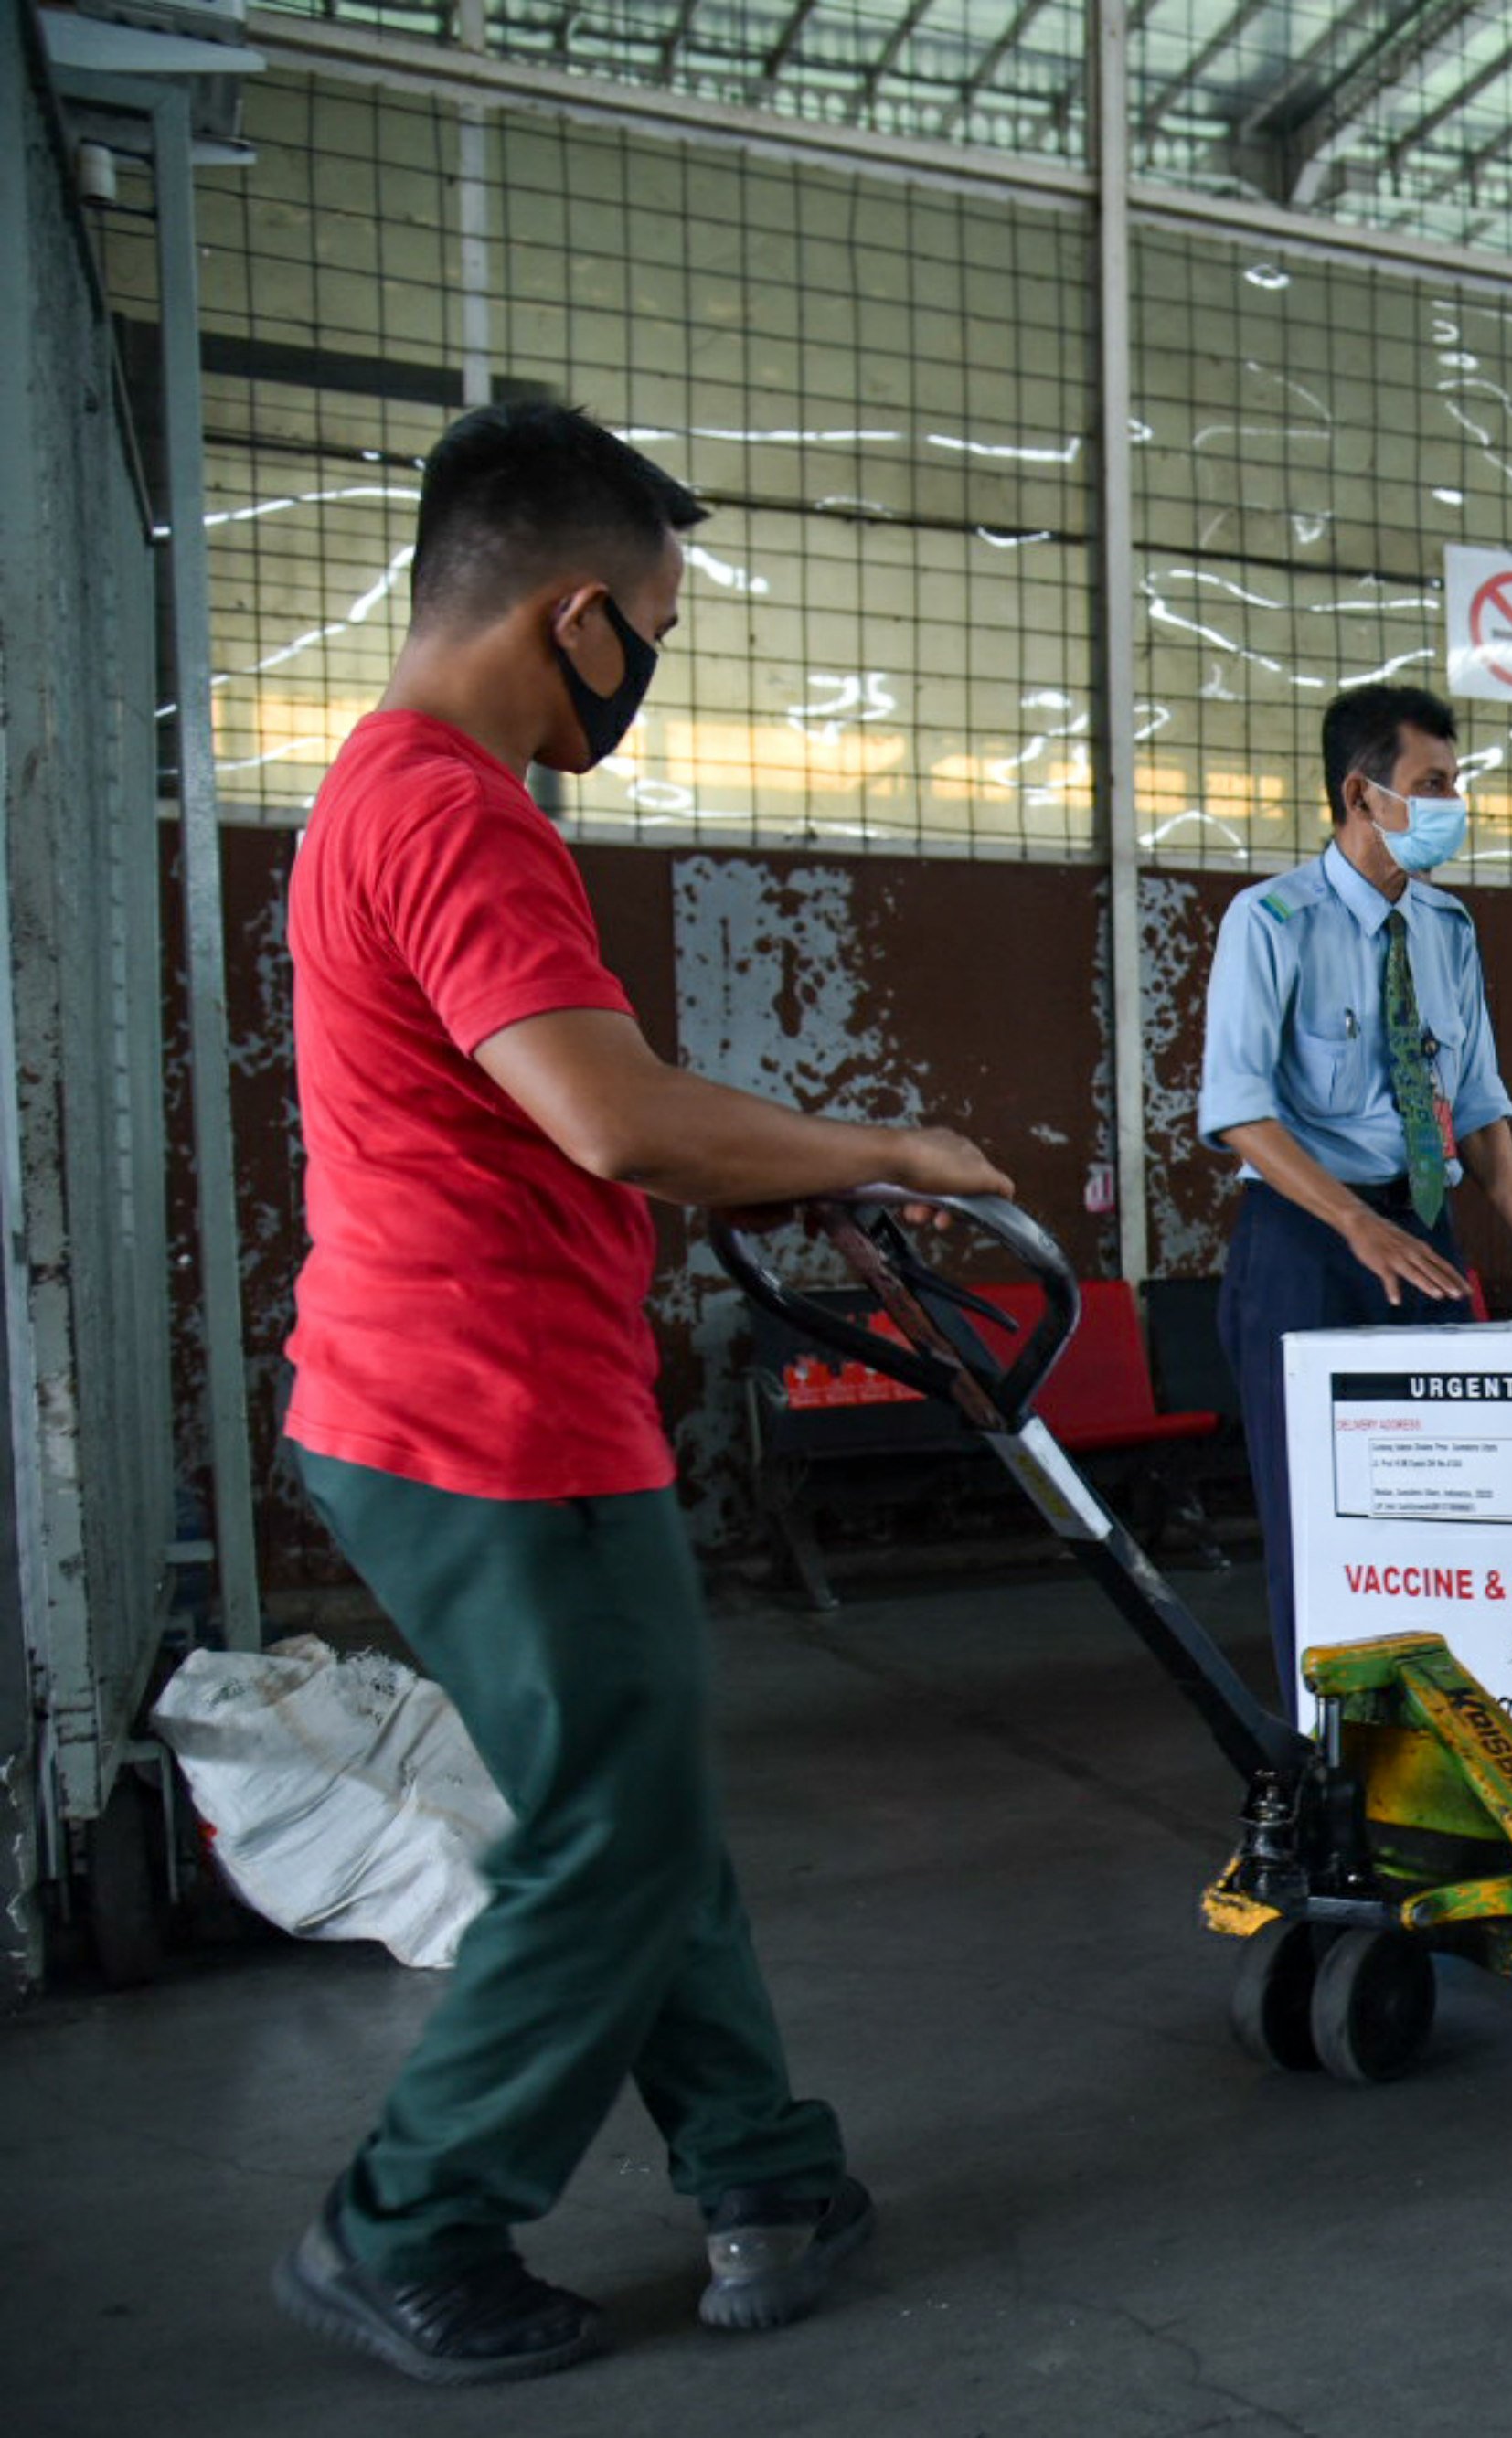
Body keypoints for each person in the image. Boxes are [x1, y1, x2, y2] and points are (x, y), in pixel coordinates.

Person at [272, 402, 1008, 2383]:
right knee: (613, 1828)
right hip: (489, 1410)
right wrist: (887, 1147)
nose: (649, 674)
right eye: (655, 629)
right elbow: (610, 1116)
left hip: (421, 1394)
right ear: (578, 613)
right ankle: (408, 2217)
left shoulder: (378, 792)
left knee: (640, 1802)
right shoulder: (455, 810)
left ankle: (766, 2165)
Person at [1201, 683, 1512, 1680]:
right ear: (1362, 795)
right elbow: (1237, 1108)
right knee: (1316, 1517)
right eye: (1431, 783)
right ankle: (1328, 1762)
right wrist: (1354, 1224)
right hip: (1308, 1247)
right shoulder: (1271, 920)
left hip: (1424, 1239)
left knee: (1444, 1505)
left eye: (1455, 780)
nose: (1452, 802)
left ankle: (1447, 1732)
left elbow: (1475, 1098)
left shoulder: (1447, 927)